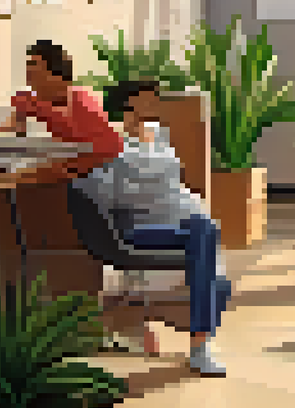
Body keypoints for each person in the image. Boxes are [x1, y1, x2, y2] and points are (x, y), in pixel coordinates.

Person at [76, 81, 232, 377]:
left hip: (180, 218)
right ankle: (200, 346)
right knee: (205, 237)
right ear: (129, 105)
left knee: (207, 238)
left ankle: (201, 344)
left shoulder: (159, 134)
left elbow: (172, 178)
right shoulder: (111, 141)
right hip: (140, 225)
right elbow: (111, 191)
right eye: (149, 100)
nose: (156, 105)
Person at [0, 40, 124, 184]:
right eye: (28, 68)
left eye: (33, 68)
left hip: (95, 175)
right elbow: (6, 133)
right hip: (60, 169)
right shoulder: (31, 101)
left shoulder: (85, 106)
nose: (28, 75)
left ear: (56, 74)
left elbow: (105, 153)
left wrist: (55, 169)